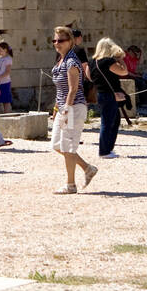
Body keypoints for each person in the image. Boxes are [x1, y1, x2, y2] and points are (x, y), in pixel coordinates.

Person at [50, 27, 97, 193]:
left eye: (61, 40)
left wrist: (66, 111)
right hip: (64, 107)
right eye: (54, 40)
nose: (57, 43)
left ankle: (70, 185)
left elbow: (73, 89)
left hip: (73, 108)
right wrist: (57, 109)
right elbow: (60, 90)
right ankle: (87, 168)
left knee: (67, 146)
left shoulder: (71, 61)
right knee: (57, 144)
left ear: (70, 41)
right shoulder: (60, 61)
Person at [91, 38, 130, 159]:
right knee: (107, 123)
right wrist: (121, 60)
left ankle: (108, 148)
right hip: (110, 95)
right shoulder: (108, 61)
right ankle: (104, 151)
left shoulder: (92, 62)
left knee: (114, 120)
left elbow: (89, 76)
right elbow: (124, 72)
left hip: (101, 94)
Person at [0, 41, 14, 113]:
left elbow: (7, 72)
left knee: (6, 99)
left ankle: (6, 113)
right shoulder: (0, 59)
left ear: (5, 50)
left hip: (5, 82)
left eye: (0, 50)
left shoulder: (8, 59)